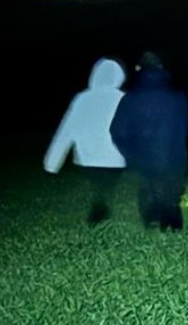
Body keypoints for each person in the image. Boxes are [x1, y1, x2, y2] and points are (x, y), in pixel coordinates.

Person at [109, 51, 188, 231]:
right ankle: (173, 225)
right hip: (174, 156)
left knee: (148, 190)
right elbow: (187, 125)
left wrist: (131, 154)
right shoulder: (178, 97)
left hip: (143, 158)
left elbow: (117, 131)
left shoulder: (130, 99)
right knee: (171, 193)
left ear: (138, 69)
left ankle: (152, 222)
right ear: (162, 68)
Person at [43, 58, 127, 226]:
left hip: (87, 157)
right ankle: (100, 208)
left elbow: (66, 130)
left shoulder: (82, 99)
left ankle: (99, 208)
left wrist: (52, 162)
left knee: (98, 184)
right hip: (114, 157)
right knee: (106, 184)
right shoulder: (122, 98)